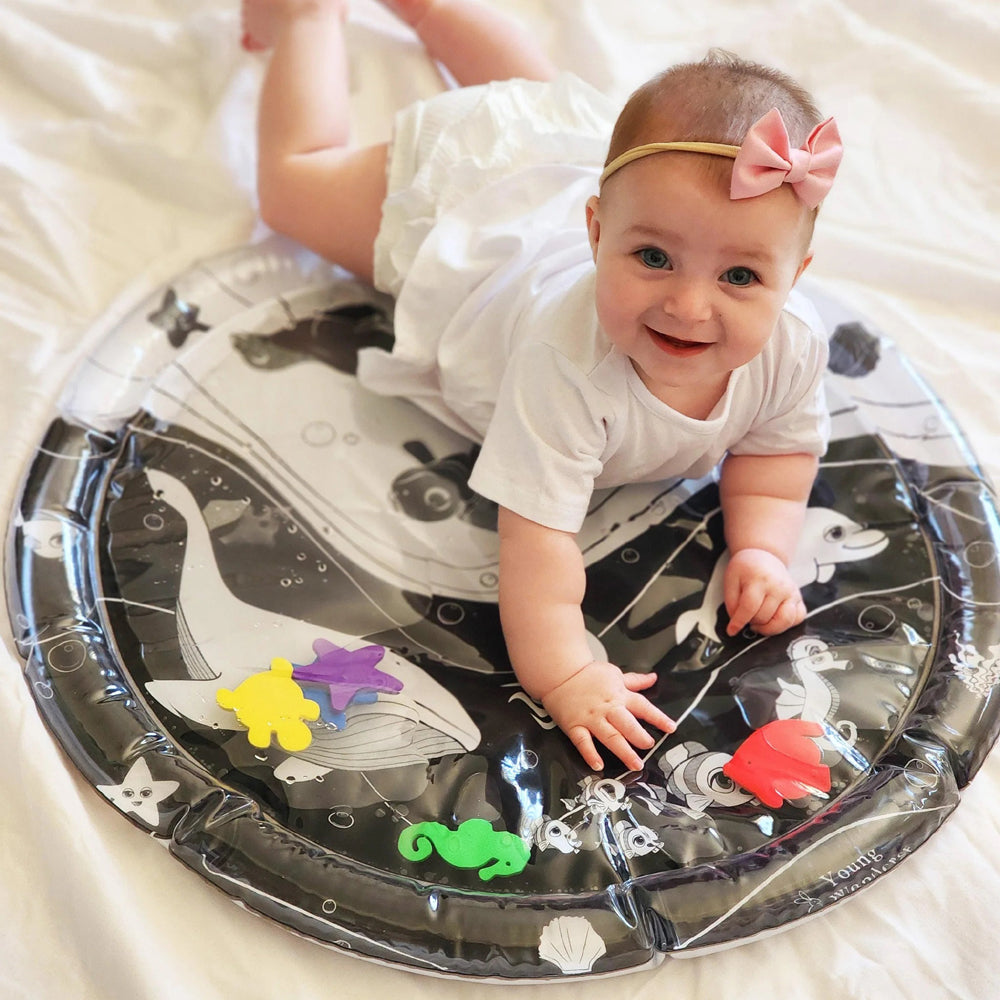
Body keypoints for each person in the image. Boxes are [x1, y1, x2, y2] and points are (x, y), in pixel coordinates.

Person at [242, 0, 842, 773]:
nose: (689, 306)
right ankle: (309, 18)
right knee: (294, 187)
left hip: (569, 174)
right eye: (652, 258)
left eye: (739, 276)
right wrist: (566, 671)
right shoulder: (566, 369)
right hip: (474, 221)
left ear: (795, 278)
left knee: (541, 102)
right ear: (597, 232)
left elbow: (776, 454)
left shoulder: (792, 345)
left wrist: (761, 547)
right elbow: (538, 546)